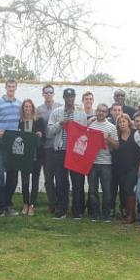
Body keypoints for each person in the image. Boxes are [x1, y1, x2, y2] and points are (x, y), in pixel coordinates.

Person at [47, 88, 88, 220]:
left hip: (75, 152)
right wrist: (60, 123)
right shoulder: (57, 112)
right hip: (60, 150)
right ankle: (61, 210)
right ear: (64, 98)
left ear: (75, 98)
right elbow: (49, 132)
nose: (70, 99)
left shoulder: (81, 114)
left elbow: (85, 133)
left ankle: (77, 211)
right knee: (61, 181)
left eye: (72, 97)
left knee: (77, 182)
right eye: (67, 97)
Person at [0, 79, 22, 219]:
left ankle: (7, 205)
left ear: (16, 88)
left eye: (13, 86)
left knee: (13, 176)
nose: (11, 88)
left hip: (13, 145)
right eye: (9, 86)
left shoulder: (19, 104)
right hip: (0, 143)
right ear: (5, 87)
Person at [87, 104, 118, 222]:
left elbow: (116, 146)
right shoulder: (90, 125)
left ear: (107, 113)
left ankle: (106, 214)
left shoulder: (111, 127)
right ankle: (95, 214)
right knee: (93, 190)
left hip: (106, 163)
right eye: (99, 110)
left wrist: (107, 138)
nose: (100, 113)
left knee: (106, 190)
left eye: (103, 111)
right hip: (92, 162)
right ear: (96, 111)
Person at [18, 99, 46, 216]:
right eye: (26, 107)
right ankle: (25, 203)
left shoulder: (39, 121)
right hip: (24, 157)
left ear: (33, 108)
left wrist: (40, 135)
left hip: (36, 156)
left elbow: (44, 138)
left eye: (30, 106)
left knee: (35, 181)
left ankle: (32, 205)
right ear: (23, 109)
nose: (28, 109)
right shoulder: (20, 122)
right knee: (25, 182)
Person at [36, 84, 61, 214]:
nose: (48, 94)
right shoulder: (38, 110)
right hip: (46, 147)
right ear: (43, 94)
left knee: (60, 176)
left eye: (50, 92)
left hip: (60, 146)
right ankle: (52, 202)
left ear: (53, 93)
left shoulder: (61, 107)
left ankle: (61, 202)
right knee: (49, 176)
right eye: (46, 92)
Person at [113, 114, 140, 223]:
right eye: (120, 122)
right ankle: (126, 212)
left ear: (129, 122)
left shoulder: (136, 134)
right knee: (123, 190)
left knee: (129, 189)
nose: (122, 124)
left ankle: (131, 215)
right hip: (120, 168)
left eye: (124, 121)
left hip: (133, 167)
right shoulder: (117, 136)